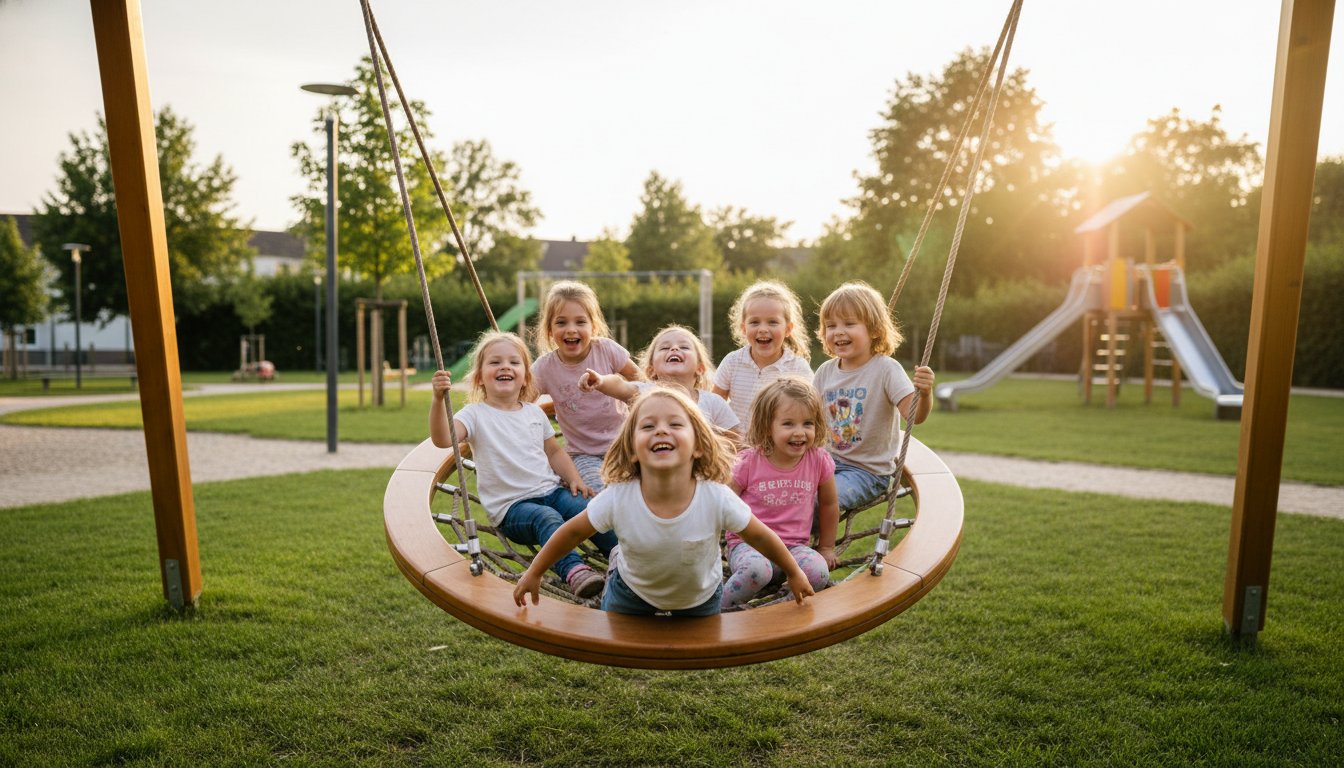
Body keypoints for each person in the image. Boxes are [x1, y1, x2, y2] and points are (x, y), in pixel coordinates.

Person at [512, 388, 813, 616]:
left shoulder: (715, 495)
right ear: (632, 450)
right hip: (631, 591)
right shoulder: (620, 496)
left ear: (698, 447)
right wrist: (535, 571)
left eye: (675, 424)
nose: (661, 430)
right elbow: (572, 532)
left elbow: (759, 535)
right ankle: (619, 557)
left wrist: (793, 571)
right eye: (647, 426)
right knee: (612, 641)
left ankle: (620, 552)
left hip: (700, 597)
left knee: (702, 655)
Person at [430, 331, 611, 599]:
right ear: (480, 377)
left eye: (514, 362)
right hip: (513, 509)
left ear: (526, 376)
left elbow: (554, 452)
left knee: (590, 511)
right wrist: (437, 400)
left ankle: (626, 558)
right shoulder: (475, 414)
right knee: (546, 519)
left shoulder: (534, 412)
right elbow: (443, 438)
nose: (505, 366)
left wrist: (574, 478)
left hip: (552, 492)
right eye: (495, 363)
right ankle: (575, 571)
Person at [813, 281, 935, 512]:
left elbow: (914, 416)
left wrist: (925, 394)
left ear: (875, 329)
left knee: (820, 504)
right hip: (824, 463)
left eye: (849, 324)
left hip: (866, 472)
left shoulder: (886, 369)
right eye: (830, 326)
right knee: (781, 495)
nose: (838, 331)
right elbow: (808, 416)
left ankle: (803, 546)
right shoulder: (824, 372)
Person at [721, 376, 839, 609]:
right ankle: (718, 611)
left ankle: (779, 611)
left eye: (808, 423)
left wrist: (826, 547)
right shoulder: (749, 461)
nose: (800, 432)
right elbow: (722, 502)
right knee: (757, 571)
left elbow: (829, 504)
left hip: (795, 547)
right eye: (788, 424)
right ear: (767, 426)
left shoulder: (818, 460)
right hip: (749, 546)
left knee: (818, 573)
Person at [531, 280, 640, 493]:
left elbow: (641, 380)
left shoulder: (606, 350)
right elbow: (519, 402)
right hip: (582, 455)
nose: (571, 330)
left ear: (593, 326)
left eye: (580, 322)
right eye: (561, 323)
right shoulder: (545, 368)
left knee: (643, 489)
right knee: (599, 494)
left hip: (626, 446)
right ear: (549, 330)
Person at [577, 323, 740, 439]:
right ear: (651, 369)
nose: (674, 349)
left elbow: (735, 440)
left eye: (684, 347)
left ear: (700, 368)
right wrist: (601, 381)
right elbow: (620, 385)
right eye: (664, 348)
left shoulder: (713, 402)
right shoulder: (644, 392)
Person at [712, 279, 813, 431]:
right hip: (737, 448)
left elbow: (810, 413)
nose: (763, 329)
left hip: (778, 451)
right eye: (754, 322)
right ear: (743, 328)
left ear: (788, 328)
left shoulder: (798, 368)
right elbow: (715, 406)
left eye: (772, 322)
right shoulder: (732, 362)